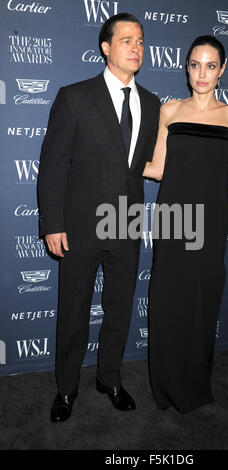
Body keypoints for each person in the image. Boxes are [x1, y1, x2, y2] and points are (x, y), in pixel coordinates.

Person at [38, 13, 160, 423]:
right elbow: (53, 166)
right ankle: (66, 388)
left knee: (120, 308)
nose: (136, 47)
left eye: (141, 41)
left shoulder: (152, 102)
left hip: (127, 224)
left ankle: (109, 378)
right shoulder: (74, 96)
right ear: (106, 48)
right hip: (78, 227)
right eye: (127, 40)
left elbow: (143, 165)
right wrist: (52, 223)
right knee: (73, 311)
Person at [143, 35, 228, 414]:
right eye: (195, 65)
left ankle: (192, 384)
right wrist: (110, 162)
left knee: (201, 304)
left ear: (222, 70)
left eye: (210, 65)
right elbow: (156, 169)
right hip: (174, 220)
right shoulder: (169, 111)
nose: (201, 73)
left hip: (211, 224)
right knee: (168, 303)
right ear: (186, 68)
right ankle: (165, 387)